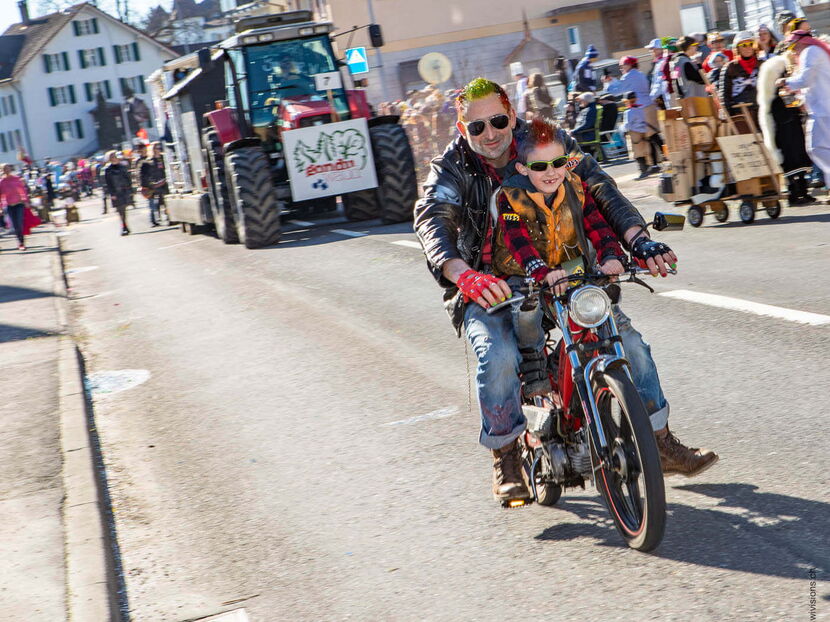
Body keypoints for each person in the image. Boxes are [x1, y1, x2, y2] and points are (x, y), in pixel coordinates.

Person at [412, 77, 718, 502]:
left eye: (497, 120)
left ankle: (660, 443)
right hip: (491, 283)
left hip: (566, 272)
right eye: (476, 127)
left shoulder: (545, 142)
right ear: (463, 130)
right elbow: (432, 217)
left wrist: (638, 241)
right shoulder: (453, 166)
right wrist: (464, 275)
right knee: (498, 356)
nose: (490, 133)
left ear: (512, 115)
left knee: (628, 342)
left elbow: (597, 188)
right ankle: (507, 457)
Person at [490, 118, 627, 402]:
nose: (551, 172)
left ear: (568, 162)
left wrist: (611, 256)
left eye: (558, 163)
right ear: (523, 169)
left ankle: (570, 359)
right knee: (526, 308)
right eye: (540, 167)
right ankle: (533, 362)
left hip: (566, 265)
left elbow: (597, 225)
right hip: (522, 268)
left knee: (598, 297)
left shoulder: (576, 188)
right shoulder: (510, 198)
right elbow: (518, 242)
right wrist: (540, 272)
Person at [757, 52, 815, 204]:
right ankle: (793, 190)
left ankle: (803, 188)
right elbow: (768, 97)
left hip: (793, 114)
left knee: (800, 151)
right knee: (788, 153)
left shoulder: (793, 68)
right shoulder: (773, 68)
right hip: (781, 117)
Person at [777, 30, 830, 182]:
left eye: (794, 47)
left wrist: (785, 82)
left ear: (801, 42)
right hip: (822, 108)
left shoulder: (809, 51)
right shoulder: (819, 50)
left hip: (822, 110)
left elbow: (805, 79)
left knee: (815, 149)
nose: (793, 52)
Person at [719, 31, 763, 129]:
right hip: (740, 115)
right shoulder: (730, 67)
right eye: (744, 45)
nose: (748, 47)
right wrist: (730, 116)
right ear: (737, 48)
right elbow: (724, 95)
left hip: (761, 112)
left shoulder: (762, 64)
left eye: (751, 44)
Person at [621, 91, 659, 179]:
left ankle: (643, 170)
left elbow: (627, 124)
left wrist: (624, 131)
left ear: (627, 101)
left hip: (634, 132)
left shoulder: (628, 112)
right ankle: (650, 166)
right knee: (646, 149)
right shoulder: (640, 109)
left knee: (637, 152)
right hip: (643, 130)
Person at [0, 163, 31, 250]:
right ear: (2, 170)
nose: (6, 170)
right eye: (4, 169)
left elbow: (22, 190)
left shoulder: (16, 179)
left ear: (10, 169)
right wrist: (1, 207)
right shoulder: (1, 182)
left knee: (19, 223)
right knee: (15, 225)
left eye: (8, 168)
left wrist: (26, 201)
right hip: (9, 205)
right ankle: (20, 242)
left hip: (19, 204)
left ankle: (21, 242)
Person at [103, 150, 132, 235]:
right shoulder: (108, 170)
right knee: (120, 211)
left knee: (124, 210)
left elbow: (128, 178)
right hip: (116, 193)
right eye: (112, 157)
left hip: (124, 191)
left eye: (114, 156)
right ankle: (124, 227)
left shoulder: (122, 167)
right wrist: (111, 193)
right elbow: (107, 183)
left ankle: (125, 225)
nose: (114, 158)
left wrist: (130, 190)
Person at [139, 142, 168, 227]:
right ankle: (153, 220)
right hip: (152, 186)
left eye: (159, 148)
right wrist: (150, 185)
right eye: (155, 148)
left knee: (164, 202)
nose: (157, 150)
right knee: (153, 205)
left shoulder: (163, 159)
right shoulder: (146, 162)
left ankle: (168, 217)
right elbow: (143, 176)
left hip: (163, 184)